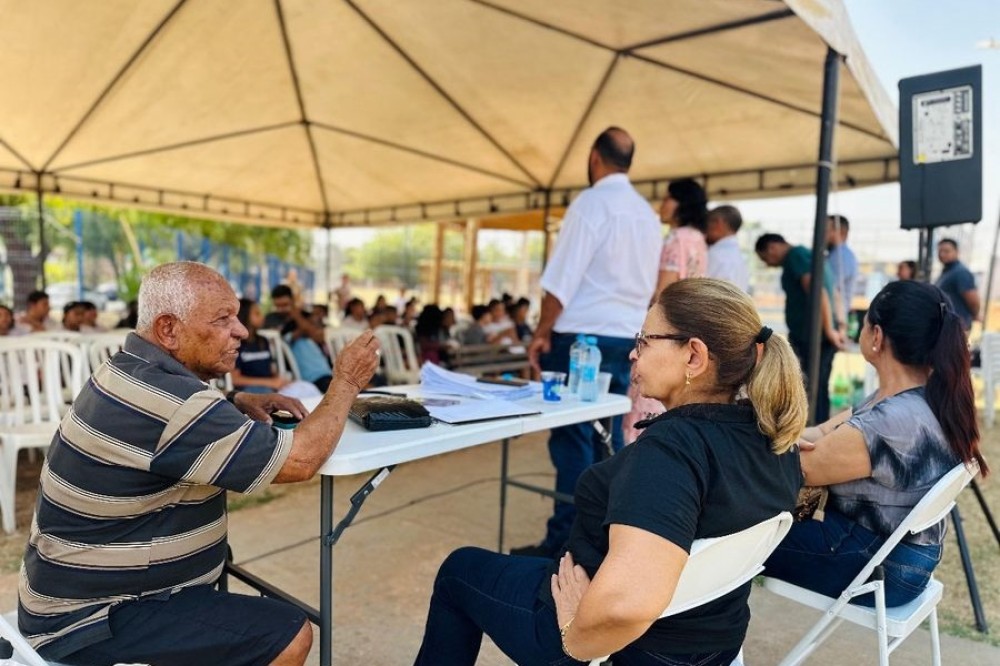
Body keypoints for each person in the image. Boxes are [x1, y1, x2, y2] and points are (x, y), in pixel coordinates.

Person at [414, 278, 805, 666]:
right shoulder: (774, 438)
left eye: (644, 341)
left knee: (458, 571)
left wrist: (574, 635)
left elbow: (625, 607)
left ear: (693, 357)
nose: (633, 354)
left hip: (606, 637)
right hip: (714, 643)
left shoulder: (671, 451)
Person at [20, 261, 381, 665]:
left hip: (74, 590)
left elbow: (167, 419)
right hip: (91, 618)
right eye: (223, 319)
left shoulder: (130, 368)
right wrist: (347, 382)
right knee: (286, 635)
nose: (241, 331)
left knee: (231, 577)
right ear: (168, 330)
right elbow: (300, 460)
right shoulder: (175, 403)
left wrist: (233, 401)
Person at [765, 280, 989, 606]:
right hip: (902, 558)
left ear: (877, 336)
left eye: (865, 322)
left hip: (877, 567)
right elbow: (824, 433)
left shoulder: (888, 423)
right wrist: (790, 438)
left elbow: (795, 468)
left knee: (737, 538)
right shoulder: (921, 396)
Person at [516, 127, 661, 558]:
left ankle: (565, 543)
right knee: (606, 439)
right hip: (627, 340)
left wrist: (541, 332)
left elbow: (561, 280)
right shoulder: (647, 215)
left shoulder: (592, 203)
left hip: (581, 339)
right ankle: (599, 540)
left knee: (573, 440)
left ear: (595, 157)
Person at [624, 178, 709, 443]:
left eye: (668, 198)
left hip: (664, 332)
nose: (662, 205)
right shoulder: (698, 239)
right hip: (687, 330)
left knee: (644, 406)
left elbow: (663, 293)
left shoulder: (676, 238)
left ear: (681, 203)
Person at [755, 233, 845, 423]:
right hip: (817, 334)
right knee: (818, 385)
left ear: (772, 248)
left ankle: (812, 426)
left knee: (810, 385)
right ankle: (817, 424)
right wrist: (840, 325)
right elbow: (835, 293)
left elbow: (818, 292)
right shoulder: (807, 254)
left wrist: (829, 330)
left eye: (765, 258)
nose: (768, 264)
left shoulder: (796, 256)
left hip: (813, 336)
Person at [265, 284, 334, 392]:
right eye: (278, 306)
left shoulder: (303, 315)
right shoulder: (271, 319)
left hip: (322, 369)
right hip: (295, 373)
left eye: (285, 305)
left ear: (292, 301)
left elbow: (318, 336)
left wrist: (296, 314)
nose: (281, 309)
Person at [935, 238, 979, 333]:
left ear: (957, 252)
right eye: (940, 251)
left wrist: (975, 315)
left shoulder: (961, 272)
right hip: (946, 325)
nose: (942, 254)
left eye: (946, 251)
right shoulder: (947, 272)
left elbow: (973, 301)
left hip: (957, 327)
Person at [705, 205, 750, 292]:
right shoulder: (740, 257)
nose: (705, 229)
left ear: (718, 223)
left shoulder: (716, 254)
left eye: (708, 223)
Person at [826, 214, 859, 334]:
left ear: (840, 232)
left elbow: (831, 290)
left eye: (827, 230)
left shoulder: (841, 257)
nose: (823, 234)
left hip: (833, 322)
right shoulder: (836, 255)